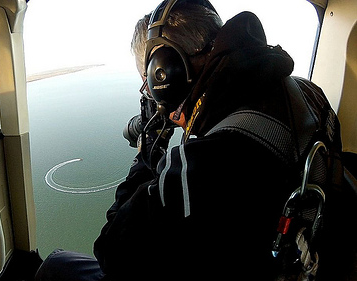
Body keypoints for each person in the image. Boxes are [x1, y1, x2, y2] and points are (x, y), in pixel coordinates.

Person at [35, 1, 356, 280]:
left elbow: (111, 253)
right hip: (302, 258)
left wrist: (148, 153)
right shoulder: (306, 91)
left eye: (149, 84)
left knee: (56, 268)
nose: (153, 98)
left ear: (166, 75)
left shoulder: (204, 162)